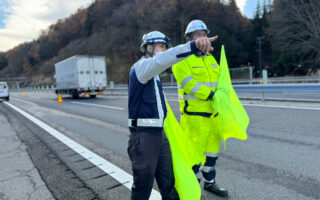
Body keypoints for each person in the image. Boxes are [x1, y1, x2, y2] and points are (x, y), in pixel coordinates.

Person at [128, 30, 217, 200]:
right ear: (148, 47)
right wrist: (194, 46)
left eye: (164, 47)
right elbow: (164, 59)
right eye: (161, 46)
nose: (163, 50)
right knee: (142, 189)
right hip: (143, 137)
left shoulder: (154, 75)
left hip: (160, 136)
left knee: (169, 184)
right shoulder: (141, 68)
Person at [172, 20, 229, 197]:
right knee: (193, 156)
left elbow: (220, 81)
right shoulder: (182, 59)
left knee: (212, 154)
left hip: (213, 115)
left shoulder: (211, 58)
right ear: (189, 38)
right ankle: (193, 188)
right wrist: (211, 95)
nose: (203, 38)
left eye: (204, 35)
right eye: (198, 35)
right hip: (194, 117)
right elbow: (188, 84)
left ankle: (210, 183)